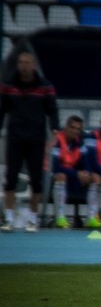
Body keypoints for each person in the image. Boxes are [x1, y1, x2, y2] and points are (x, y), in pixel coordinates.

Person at [1, 52, 59, 233]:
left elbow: (52, 111)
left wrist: (54, 132)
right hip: (15, 137)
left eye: (27, 62)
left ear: (33, 65)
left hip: (36, 138)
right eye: (20, 62)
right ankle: (8, 219)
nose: (23, 66)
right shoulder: (9, 85)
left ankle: (33, 220)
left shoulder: (45, 87)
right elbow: (2, 110)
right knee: (10, 178)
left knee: (36, 180)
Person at [50, 115, 90, 229]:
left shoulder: (80, 142)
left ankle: (92, 217)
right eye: (72, 127)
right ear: (66, 126)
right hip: (53, 176)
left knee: (92, 178)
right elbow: (55, 166)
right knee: (61, 176)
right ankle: (60, 217)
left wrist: (85, 173)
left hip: (73, 176)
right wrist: (76, 173)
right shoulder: (57, 139)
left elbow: (86, 161)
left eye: (78, 129)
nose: (74, 131)